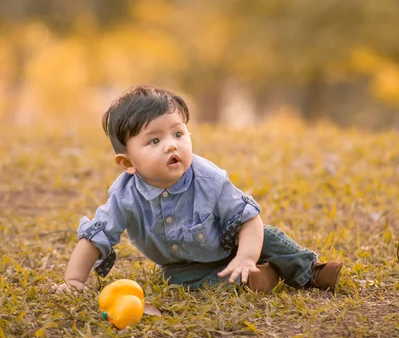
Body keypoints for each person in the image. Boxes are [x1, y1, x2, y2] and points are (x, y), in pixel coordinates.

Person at [56, 85, 343, 295]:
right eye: (154, 141)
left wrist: (245, 256)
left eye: (178, 134)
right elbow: (96, 237)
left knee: (270, 237)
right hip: (185, 264)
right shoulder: (124, 195)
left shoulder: (208, 178)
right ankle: (261, 278)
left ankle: (311, 271)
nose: (171, 144)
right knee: (179, 282)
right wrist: (74, 282)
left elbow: (249, 220)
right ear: (128, 162)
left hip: (231, 241)